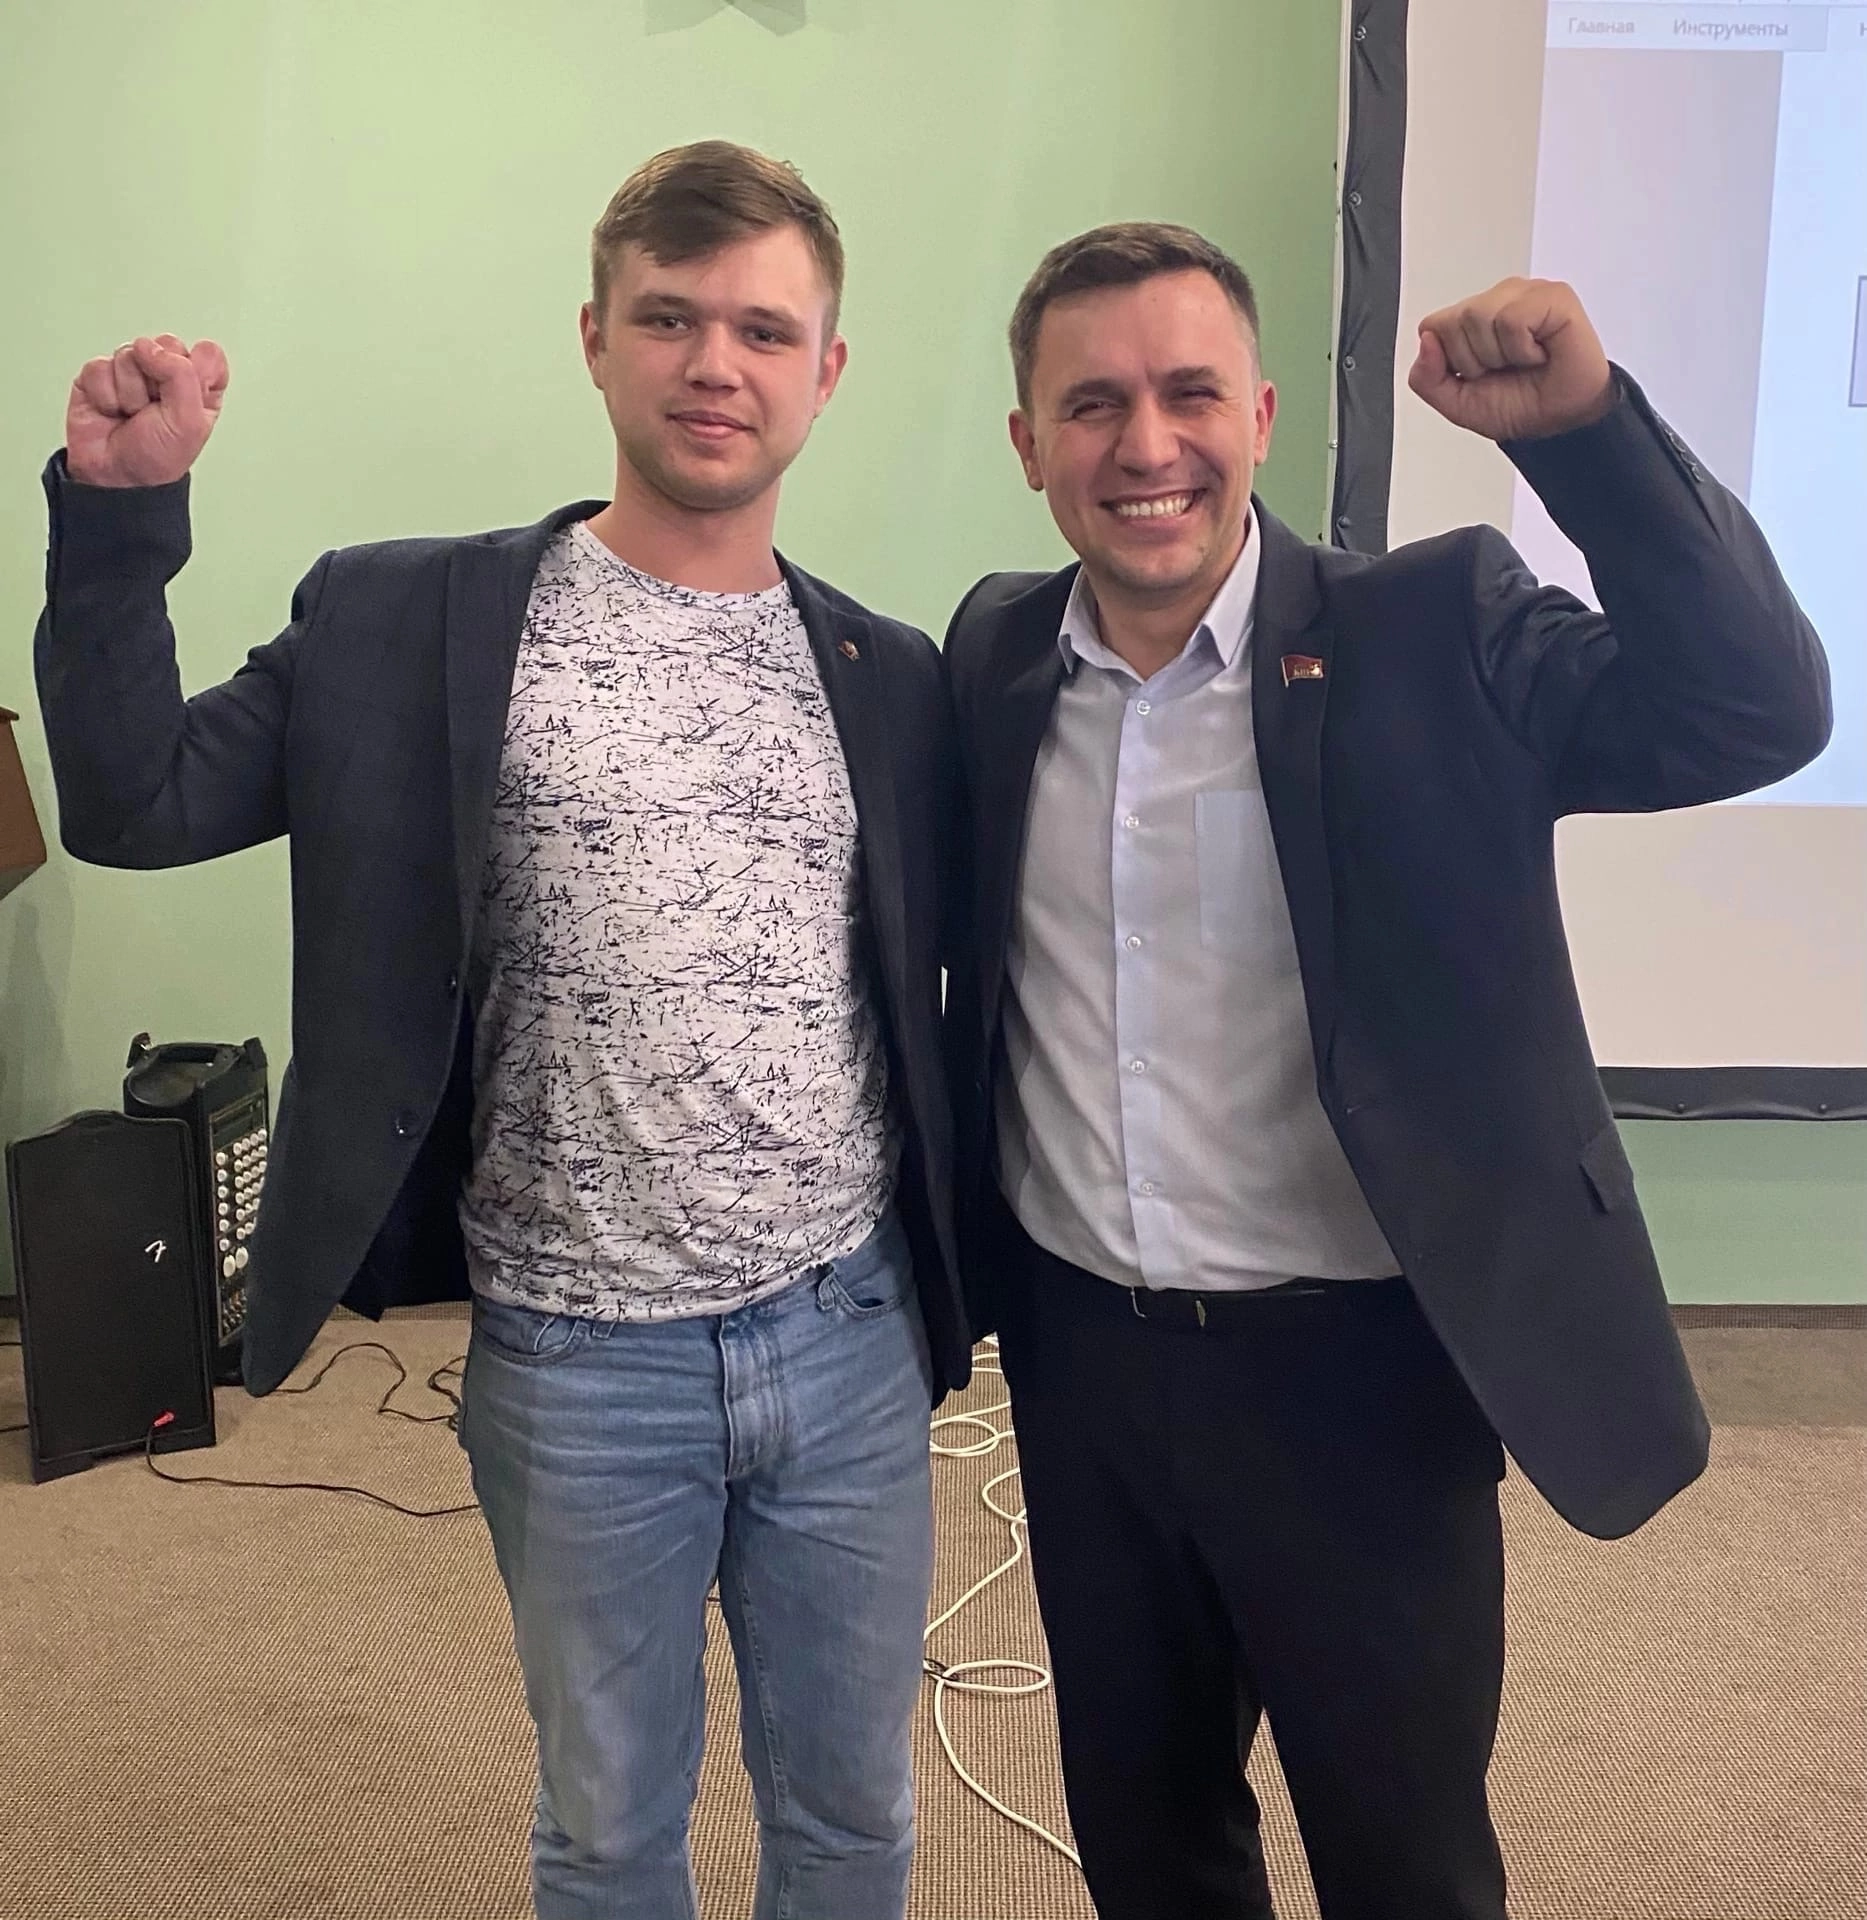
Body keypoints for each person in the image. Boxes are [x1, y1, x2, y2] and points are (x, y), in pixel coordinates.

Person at [35, 140, 968, 1920]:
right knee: (609, 1833)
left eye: (764, 330)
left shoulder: (890, 672)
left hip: (844, 1337)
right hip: (577, 1356)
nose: (715, 363)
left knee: (853, 1820)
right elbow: (134, 802)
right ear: (595, 339)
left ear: (826, 370)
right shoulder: (403, 620)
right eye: (668, 318)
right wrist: (117, 528)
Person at [940, 221, 1831, 1920]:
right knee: (1146, 1842)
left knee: (1401, 1862)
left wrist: (1586, 439)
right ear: (1027, 443)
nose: (1145, 445)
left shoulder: (1433, 627)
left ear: (1262, 416)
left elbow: (1751, 712)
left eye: (1190, 393)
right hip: (1083, 1368)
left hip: (1356, 1377)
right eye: (1092, 404)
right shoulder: (993, 655)